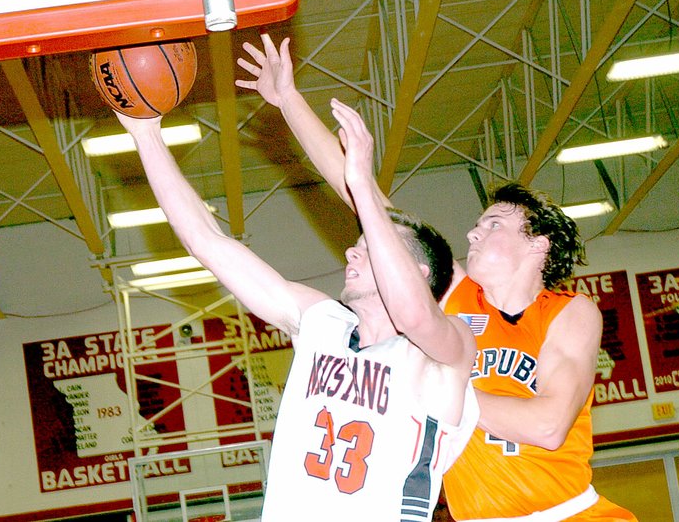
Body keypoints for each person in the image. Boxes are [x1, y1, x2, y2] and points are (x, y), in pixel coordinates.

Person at [236, 33, 637, 521]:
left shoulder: (569, 311)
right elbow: (362, 198)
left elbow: (550, 426)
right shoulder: (454, 298)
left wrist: (429, 389)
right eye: (476, 223)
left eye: (493, 224)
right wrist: (289, 101)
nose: (472, 231)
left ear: (538, 244)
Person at [114, 99, 478, 521]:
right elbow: (207, 242)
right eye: (357, 246)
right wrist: (145, 134)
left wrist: (361, 186)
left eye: (371, 248)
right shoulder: (320, 320)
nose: (351, 253)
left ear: (418, 271)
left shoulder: (443, 351)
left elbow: (414, 315)